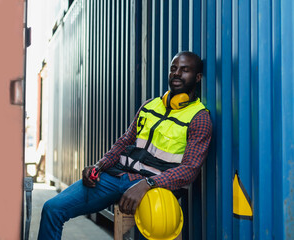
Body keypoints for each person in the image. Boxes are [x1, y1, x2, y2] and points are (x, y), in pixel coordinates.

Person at [37, 51, 212, 240]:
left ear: (198, 77)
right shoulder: (150, 106)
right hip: (118, 176)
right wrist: (99, 166)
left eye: (185, 70)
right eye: (173, 69)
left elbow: (189, 169)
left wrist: (148, 184)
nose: (177, 74)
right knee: (52, 209)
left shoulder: (199, 118)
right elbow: (125, 141)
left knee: (159, 226)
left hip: (155, 186)